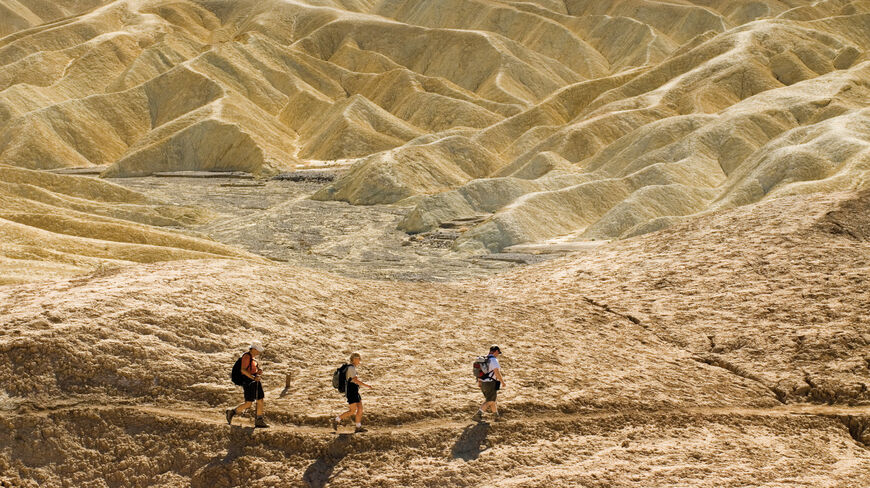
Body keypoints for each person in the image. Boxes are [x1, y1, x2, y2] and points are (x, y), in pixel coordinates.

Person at [226, 341, 269, 428]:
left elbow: (251, 370)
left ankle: (259, 420)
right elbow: (243, 370)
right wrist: (253, 378)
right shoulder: (246, 357)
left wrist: (258, 372)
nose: (258, 352)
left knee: (260, 399)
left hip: (255, 381)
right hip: (249, 382)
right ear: (253, 349)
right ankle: (232, 412)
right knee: (249, 403)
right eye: (257, 350)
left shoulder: (253, 359)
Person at [332, 352, 372, 433]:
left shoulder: (352, 368)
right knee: (352, 411)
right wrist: (366, 385)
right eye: (357, 358)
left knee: (360, 408)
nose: (359, 360)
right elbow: (354, 380)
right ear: (354, 359)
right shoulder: (351, 368)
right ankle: (336, 420)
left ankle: (358, 427)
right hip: (351, 391)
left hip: (354, 390)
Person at [473, 345, 505, 422]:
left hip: (483, 383)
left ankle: (496, 417)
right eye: (498, 353)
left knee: (492, 400)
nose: (498, 355)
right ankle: (478, 415)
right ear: (496, 351)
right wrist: (502, 382)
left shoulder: (484, 360)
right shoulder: (493, 360)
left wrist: (479, 382)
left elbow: (480, 372)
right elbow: (497, 372)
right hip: (491, 383)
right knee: (489, 401)